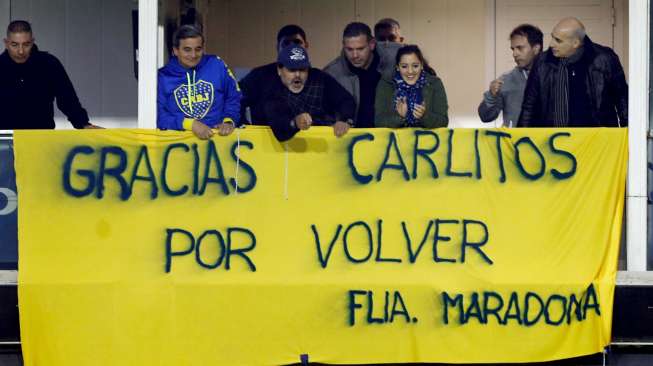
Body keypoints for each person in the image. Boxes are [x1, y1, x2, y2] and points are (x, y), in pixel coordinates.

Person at [519, 17, 628, 127]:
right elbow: (529, 107)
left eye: (558, 40)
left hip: (597, 140)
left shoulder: (605, 59)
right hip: (553, 141)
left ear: (575, 43)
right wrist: (522, 141)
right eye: (552, 37)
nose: (551, 44)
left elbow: (623, 101)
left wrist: (631, 138)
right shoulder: (542, 62)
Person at [0, 20, 100, 130]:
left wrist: (83, 124)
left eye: (26, 44)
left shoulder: (49, 64)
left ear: (32, 42)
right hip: (4, 140)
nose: (20, 51)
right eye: (14, 45)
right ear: (6, 43)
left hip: (41, 138)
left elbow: (67, 99)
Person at [157, 25, 241, 139]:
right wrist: (190, 124)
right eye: (187, 50)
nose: (193, 55)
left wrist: (229, 121)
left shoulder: (216, 64)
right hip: (179, 146)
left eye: (198, 49)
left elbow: (233, 97)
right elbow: (159, 116)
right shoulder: (162, 76)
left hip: (219, 142)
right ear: (175, 50)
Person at [263, 45, 355, 142]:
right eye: (292, 70)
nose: (297, 75)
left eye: (302, 69)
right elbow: (278, 128)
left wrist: (344, 120)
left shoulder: (319, 79)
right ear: (279, 70)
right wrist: (296, 123)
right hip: (289, 150)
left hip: (326, 144)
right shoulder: (272, 89)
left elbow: (346, 100)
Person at [324, 22, 399, 128]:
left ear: (372, 44)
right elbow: (325, 114)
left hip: (391, 135)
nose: (355, 55)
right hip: (353, 139)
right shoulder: (332, 73)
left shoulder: (397, 58)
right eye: (349, 49)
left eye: (360, 49)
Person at [240, 24, 309, 124]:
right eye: (286, 44)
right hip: (264, 138)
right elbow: (235, 100)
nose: (292, 48)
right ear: (278, 48)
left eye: (297, 43)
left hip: (309, 138)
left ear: (306, 46)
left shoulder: (318, 78)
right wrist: (244, 129)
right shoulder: (259, 77)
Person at [478, 24, 542, 127]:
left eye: (520, 48)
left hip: (549, 141)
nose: (514, 54)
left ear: (536, 48)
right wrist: (491, 95)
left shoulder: (556, 76)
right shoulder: (506, 80)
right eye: (513, 49)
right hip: (513, 141)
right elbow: (485, 117)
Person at [375, 45, 448, 128]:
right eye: (404, 66)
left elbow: (443, 121)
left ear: (421, 65)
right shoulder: (386, 83)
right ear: (397, 67)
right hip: (396, 140)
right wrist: (400, 117)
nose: (410, 71)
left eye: (415, 66)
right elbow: (378, 122)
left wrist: (424, 116)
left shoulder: (434, 83)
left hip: (427, 140)